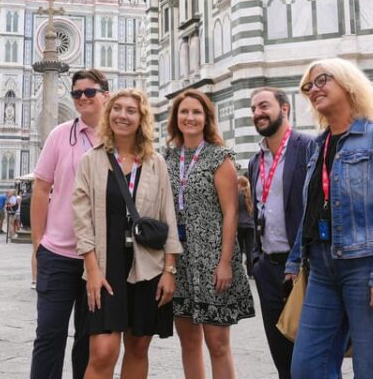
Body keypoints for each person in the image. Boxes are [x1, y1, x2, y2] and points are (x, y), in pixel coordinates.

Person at [286, 58, 373, 379]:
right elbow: (313, 209)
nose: (313, 90)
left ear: (348, 83)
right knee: (307, 368)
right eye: (307, 86)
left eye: (321, 80)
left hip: (366, 266)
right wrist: (295, 259)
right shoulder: (318, 146)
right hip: (322, 269)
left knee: (372, 370)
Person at [73, 88, 182, 379]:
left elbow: (167, 216)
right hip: (106, 265)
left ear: (141, 118)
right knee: (103, 351)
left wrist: (170, 270)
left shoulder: (156, 162)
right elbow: (81, 220)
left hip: (147, 266)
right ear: (109, 115)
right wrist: (92, 270)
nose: (123, 115)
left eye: (131, 110)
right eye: (117, 109)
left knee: (138, 347)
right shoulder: (91, 160)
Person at [163, 89, 253, 379]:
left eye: (196, 112)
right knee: (188, 342)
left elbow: (230, 213)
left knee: (218, 344)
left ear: (206, 118)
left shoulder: (219, 157)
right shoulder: (167, 157)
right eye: (184, 112)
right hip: (180, 261)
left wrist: (227, 261)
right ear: (176, 118)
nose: (190, 117)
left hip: (213, 260)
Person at [29, 69, 110, 379]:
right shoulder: (61, 134)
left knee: (90, 340)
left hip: (100, 258)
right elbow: (41, 188)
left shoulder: (118, 136)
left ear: (106, 94)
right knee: (49, 335)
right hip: (58, 253)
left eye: (89, 92)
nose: (82, 98)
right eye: (77, 94)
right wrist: (37, 246)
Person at [247, 87, 315, 378]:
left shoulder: (308, 147)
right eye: (253, 109)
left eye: (264, 106)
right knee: (282, 358)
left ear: (284, 109)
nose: (257, 113)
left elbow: (316, 208)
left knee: (313, 356)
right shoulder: (255, 161)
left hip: (303, 269)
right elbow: (255, 214)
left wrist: (302, 261)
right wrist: (256, 260)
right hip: (268, 270)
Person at [236, 176, 255, 278]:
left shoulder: (237, 195)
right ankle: (250, 273)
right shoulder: (250, 194)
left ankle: (239, 273)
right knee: (249, 250)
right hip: (250, 226)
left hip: (240, 225)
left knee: (239, 249)